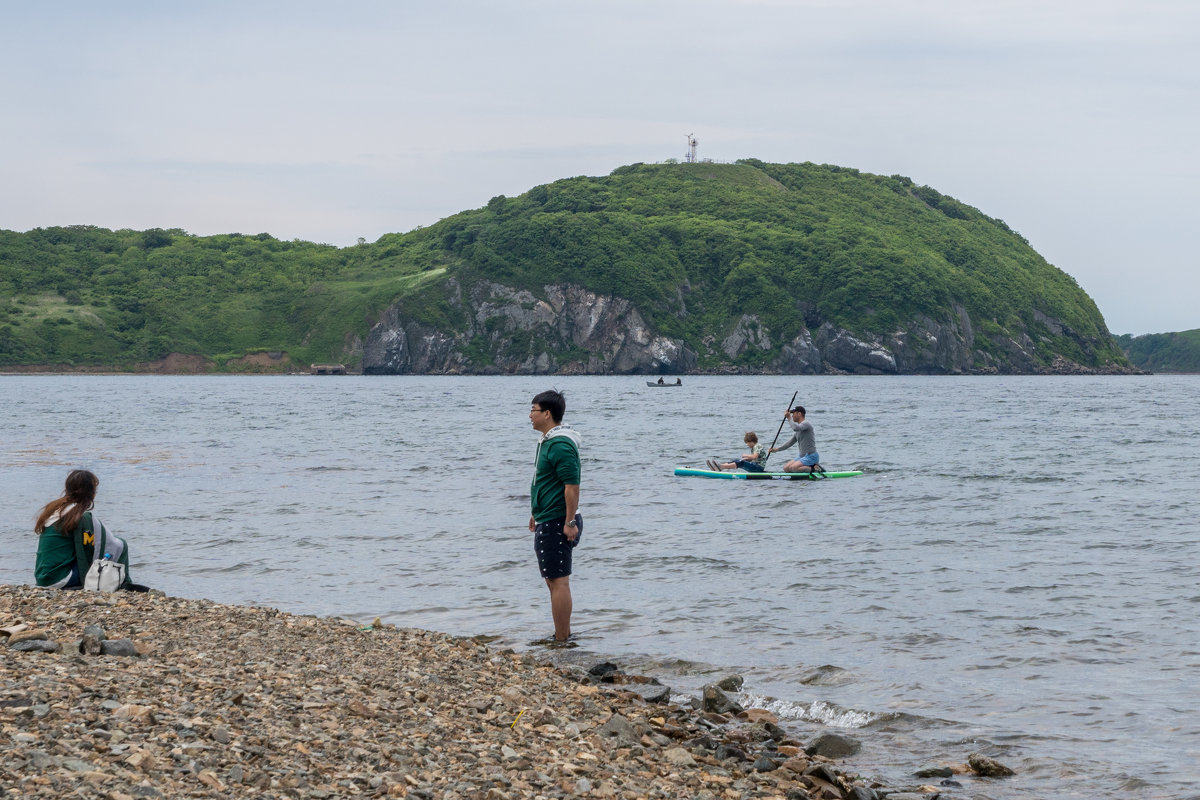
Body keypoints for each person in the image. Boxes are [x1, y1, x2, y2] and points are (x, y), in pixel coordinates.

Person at [528, 389, 582, 643]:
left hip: (559, 520)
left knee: (559, 581)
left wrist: (569, 522)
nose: (530, 415)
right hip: (546, 517)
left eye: (533, 410)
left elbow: (571, 486)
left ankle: (562, 640)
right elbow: (545, 482)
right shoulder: (548, 441)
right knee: (551, 579)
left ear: (547, 414)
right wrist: (535, 513)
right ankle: (562, 635)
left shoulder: (560, 444)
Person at [34, 469, 141, 590]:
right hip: (60, 578)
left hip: (43, 577)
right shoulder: (80, 516)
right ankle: (124, 583)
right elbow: (93, 547)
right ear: (91, 493)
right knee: (121, 544)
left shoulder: (55, 510)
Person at [769, 405, 824, 474]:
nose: (792, 416)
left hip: (811, 456)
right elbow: (789, 443)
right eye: (791, 415)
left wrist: (788, 418)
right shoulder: (799, 429)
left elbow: (795, 428)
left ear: (799, 414)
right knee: (786, 468)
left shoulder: (806, 424)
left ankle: (815, 468)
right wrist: (777, 449)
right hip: (802, 456)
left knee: (793, 468)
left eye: (793, 414)